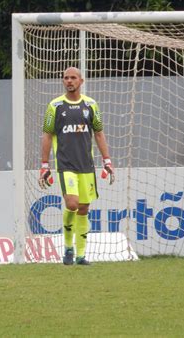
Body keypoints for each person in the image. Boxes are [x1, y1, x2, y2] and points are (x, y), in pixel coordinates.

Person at [39, 66, 115, 266]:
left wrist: (107, 160)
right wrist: (44, 165)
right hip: (65, 165)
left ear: (81, 81)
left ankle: (81, 255)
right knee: (71, 204)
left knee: (83, 208)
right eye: (66, 78)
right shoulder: (54, 106)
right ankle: (68, 247)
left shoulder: (91, 105)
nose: (69, 81)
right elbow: (47, 134)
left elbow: (98, 133)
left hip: (86, 166)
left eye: (73, 78)